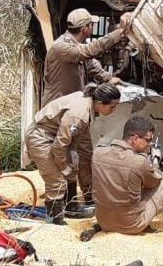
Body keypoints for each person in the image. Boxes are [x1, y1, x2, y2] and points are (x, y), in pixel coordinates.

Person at [23, 83, 121, 225]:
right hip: (41, 136)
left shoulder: (87, 104)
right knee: (56, 179)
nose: (113, 110)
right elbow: (59, 146)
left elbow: (71, 138)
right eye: (112, 106)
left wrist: (71, 161)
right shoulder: (79, 114)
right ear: (100, 103)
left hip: (54, 135)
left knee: (72, 170)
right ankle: (55, 219)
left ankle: (71, 208)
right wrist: (63, 167)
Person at [91, 116, 163, 235]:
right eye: (147, 140)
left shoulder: (98, 153)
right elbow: (154, 183)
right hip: (131, 225)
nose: (149, 144)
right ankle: (144, 222)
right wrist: (155, 160)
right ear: (135, 139)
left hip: (103, 221)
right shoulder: (139, 161)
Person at [41, 9, 128, 107]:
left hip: (68, 106)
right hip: (56, 108)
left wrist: (108, 78)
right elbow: (89, 50)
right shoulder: (61, 47)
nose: (92, 27)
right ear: (85, 29)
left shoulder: (76, 47)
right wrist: (119, 32)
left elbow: (91, 65)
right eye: (91, 24)